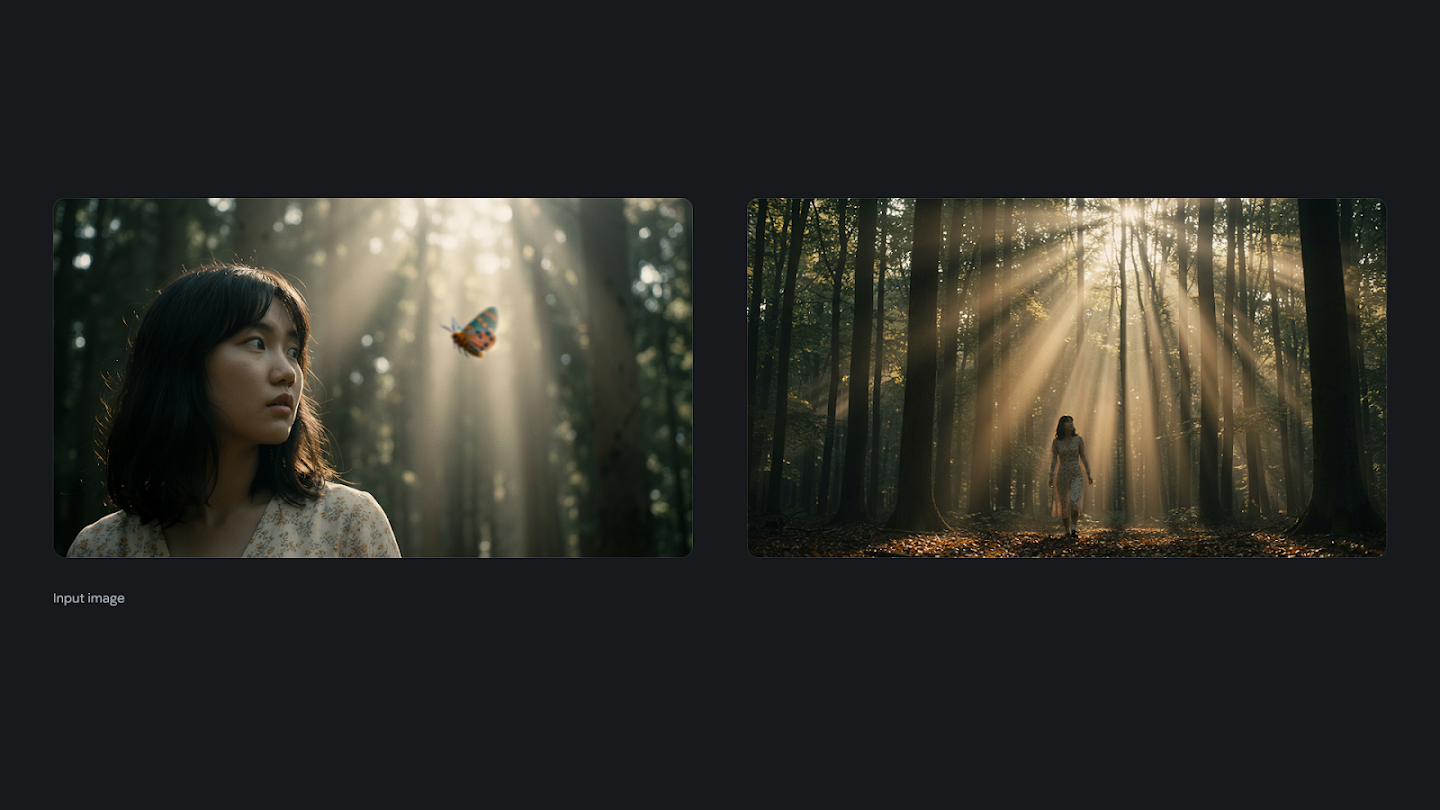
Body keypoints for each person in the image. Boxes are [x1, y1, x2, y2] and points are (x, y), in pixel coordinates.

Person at [67, 263, 401, 557]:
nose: (289, 372)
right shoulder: (100, 548)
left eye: (293, 351)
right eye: (257, 343)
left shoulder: (346, 523)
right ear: (182, 362)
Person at [1047, 415, 1093, 538]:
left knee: (1074, 500)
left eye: (1071, 422)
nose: (1071, 424)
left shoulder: (1078, 439)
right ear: (1062, 425)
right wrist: (1051, 475)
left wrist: (1088, 473)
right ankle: (1067, 530)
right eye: (1067, 422)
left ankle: (1073, 528)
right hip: (1062, 474)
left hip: (1076, 473)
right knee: (1064, 503)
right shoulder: (1056, 442)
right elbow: (1053, 460)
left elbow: (1083, 457)